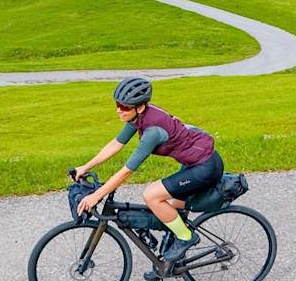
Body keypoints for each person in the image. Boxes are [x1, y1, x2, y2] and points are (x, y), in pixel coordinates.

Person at [72, 77, 223, 264]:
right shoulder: (139, 117)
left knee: (151, 195)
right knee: (167, 206)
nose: (119, 110)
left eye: (125, 107)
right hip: (196, 162)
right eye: (118, 105)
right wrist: (85, 167)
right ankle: (169, 261)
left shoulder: (152, 131)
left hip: (204, 168)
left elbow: (126, 171)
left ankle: (186, 237)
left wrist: (96, 195)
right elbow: (116, 144)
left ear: (140, 107)